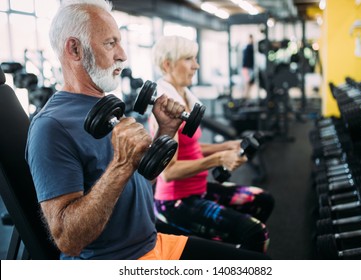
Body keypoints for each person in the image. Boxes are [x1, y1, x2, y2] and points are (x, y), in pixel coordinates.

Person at [26, 0, 270, 260]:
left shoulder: (105, 107)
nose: (122, 54)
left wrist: (165, 132)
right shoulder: (50, 127)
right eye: (110, 43)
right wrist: (121, 165)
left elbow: (142, 184)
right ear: (74, 48)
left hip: (152, 242)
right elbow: (68, 239)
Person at [149, 35, 275, 253]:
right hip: (175, 202)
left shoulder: (186, 98)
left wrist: (227, 146)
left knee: (263, 200)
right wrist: (218, 159)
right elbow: (168, 172)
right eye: (189, 59)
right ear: (167, 65)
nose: (196, 66)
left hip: (198, 189)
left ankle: (234, 252)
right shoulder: (166, 109)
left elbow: (191, 149)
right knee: (256, 233)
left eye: (195, 59)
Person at [242, 34, 255, 99]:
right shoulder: (248, 47)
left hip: (250, 67)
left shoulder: (251, 47)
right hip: (247, 68)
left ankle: (247, 95)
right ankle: (245, 96)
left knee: (250, 82)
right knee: (247, 82)